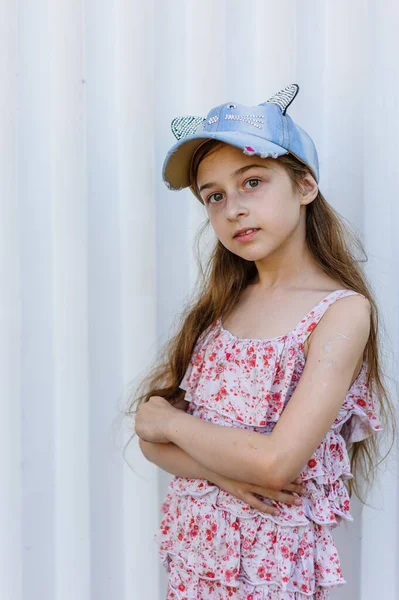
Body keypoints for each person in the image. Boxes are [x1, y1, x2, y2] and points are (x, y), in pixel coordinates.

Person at [129, 84, 396, 599]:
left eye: (252, 181)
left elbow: (277, 464)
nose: (233, 208)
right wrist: (224, 473)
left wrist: (167, 420)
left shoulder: (340, 311)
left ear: (305, 187)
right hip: (199, 557)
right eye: (215, 196)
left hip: (267, 567)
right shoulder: (222, 307)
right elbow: (150, 442)